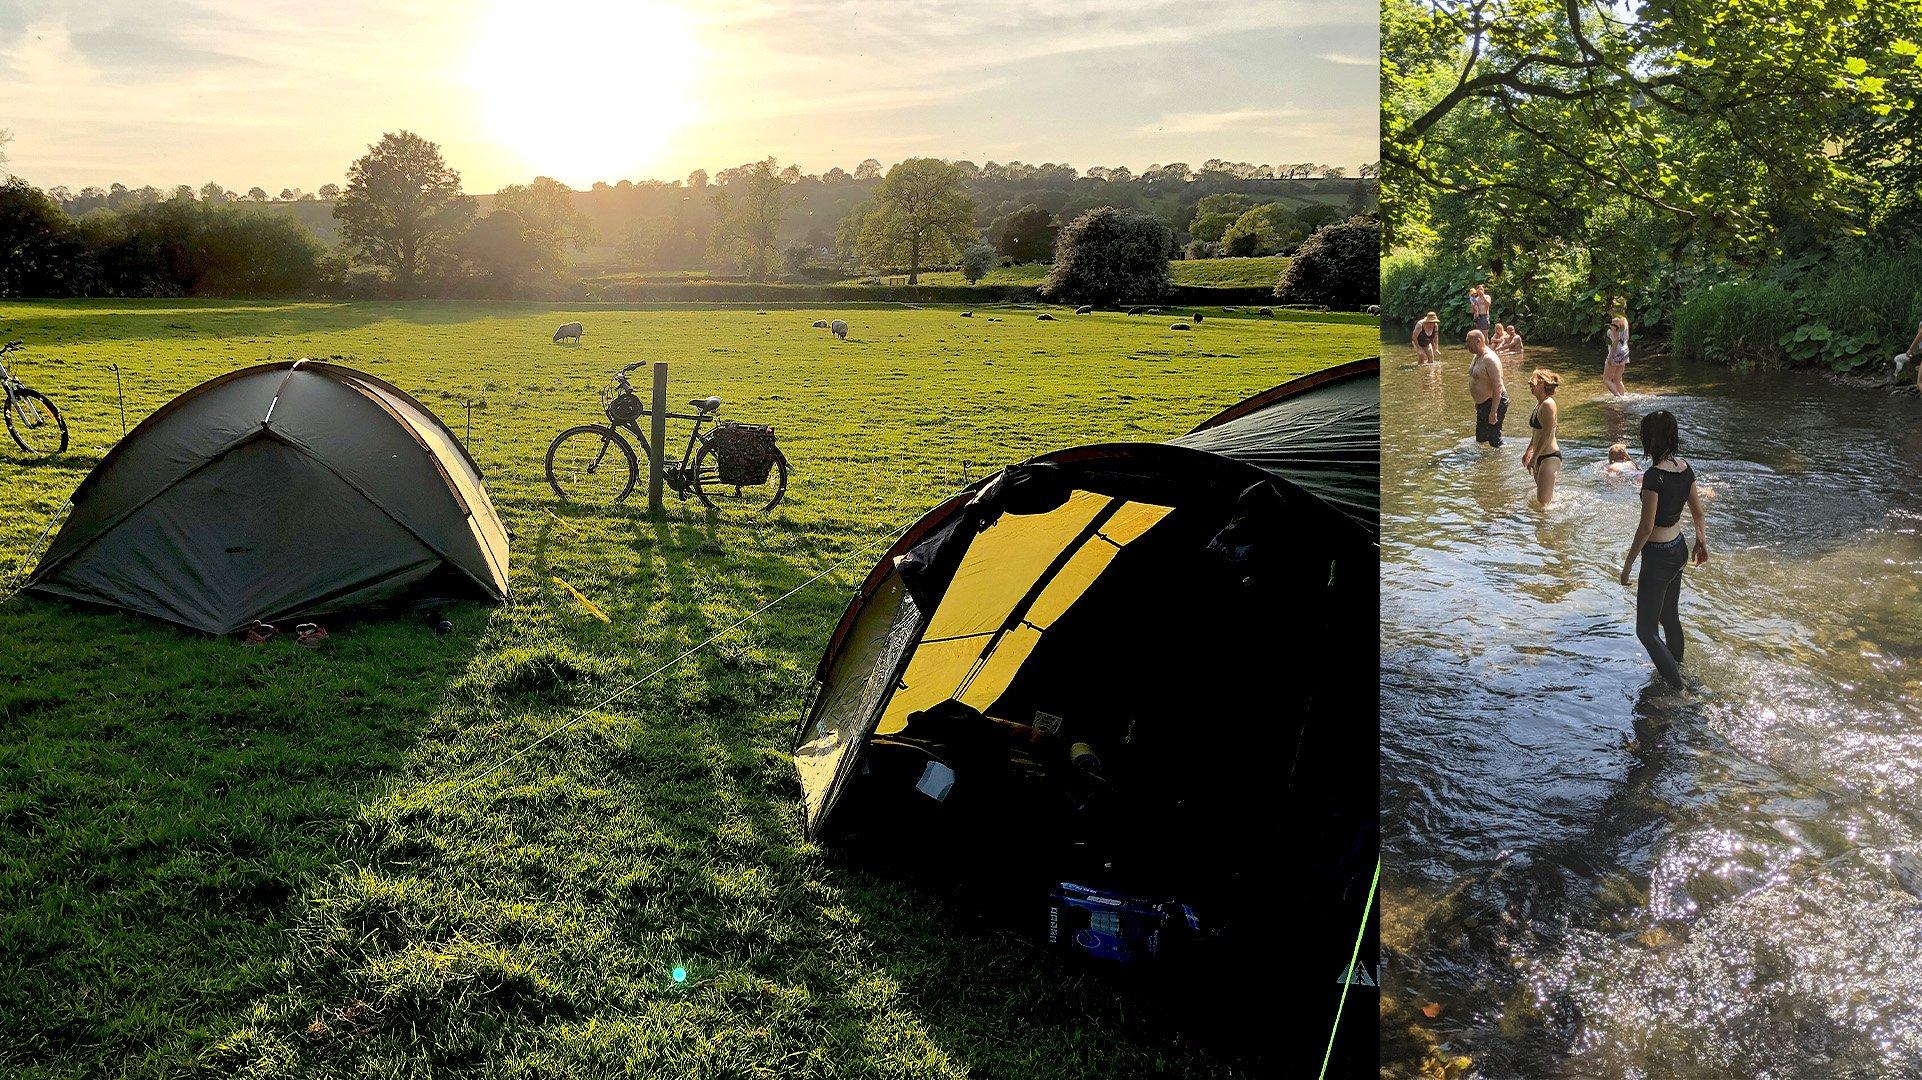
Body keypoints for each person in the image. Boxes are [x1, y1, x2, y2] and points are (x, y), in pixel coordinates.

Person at [1619, 410, 1709, 688]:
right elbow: (1698, 513)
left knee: (1645, 631)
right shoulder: (1684, 467)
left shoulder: (1653, 477)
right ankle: (1675, 669)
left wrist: (1628, 565)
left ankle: (1679, 687)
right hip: (1679, 549)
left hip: (1658, 556)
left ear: (1650, 440)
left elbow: (1646, 528)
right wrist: (1701, 541)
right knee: (1669, 617)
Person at [1520, 369, 1562, 505]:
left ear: (1541, 384)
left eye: (1533, 384)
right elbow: (1536, 432)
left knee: (1543, 505)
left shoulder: (1548, 404)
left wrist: (1535, 457)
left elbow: (1547, 433)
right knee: (1543, 501)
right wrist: (1529, 450)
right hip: (1538, 456)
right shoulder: (1539, 404)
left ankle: (1546, 525)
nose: (1530, 386)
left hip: (1549, 457)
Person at [1468, 328, 1507, 447]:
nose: (1466, 346)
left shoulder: (1490, 359)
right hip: (1483, 404)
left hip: (1494, 402)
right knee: (1480, 439)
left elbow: (1498, 386)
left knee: (1494, 441)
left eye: (1468, 342)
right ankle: (1485, 464)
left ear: (1478, 341)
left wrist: (1494, 411)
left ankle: (1501, 461)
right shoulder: (1477, 356)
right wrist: (1478, 402)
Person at [1603, 297, 1631, 397]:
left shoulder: (1615, 320)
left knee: (1606, 380)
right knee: (1617, 379)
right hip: (1625, 349)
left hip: (1616, 351)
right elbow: (1626, 336)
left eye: (1611, 306)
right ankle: (1624, 397)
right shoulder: (1625, 319)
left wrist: (1610, 356)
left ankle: (1619, 399)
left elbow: (1616, 340)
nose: (1609, 309)